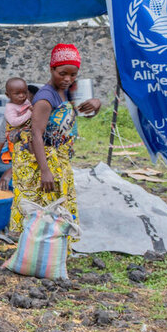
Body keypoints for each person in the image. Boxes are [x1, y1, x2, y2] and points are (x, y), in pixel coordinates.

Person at [10, 44, 100, 234]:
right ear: (52, 69)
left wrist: (96, 104)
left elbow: (85, 112)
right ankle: (34, 253)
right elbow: (36, 134)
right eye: (62, 73)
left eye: (73, 74)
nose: (68, 79)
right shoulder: (45, 98)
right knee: (38, 208)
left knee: (56, 205)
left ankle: (52, 252)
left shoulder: (68, 90)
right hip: (37, 159)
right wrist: (45, 171)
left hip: (58, 156)